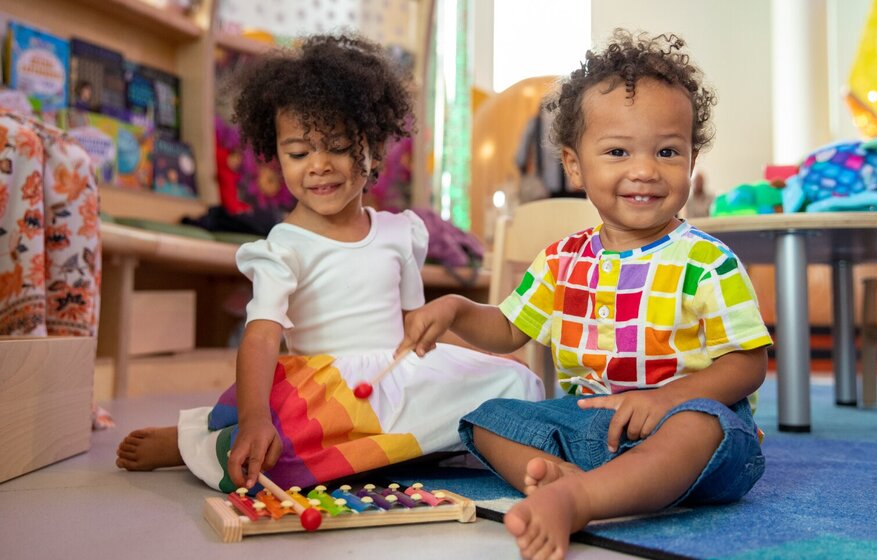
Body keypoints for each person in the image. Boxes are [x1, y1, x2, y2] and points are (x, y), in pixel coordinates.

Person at [399, 29, 772, 560]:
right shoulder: (563, 259)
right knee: (484, 421)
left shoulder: (707, 262)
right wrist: (458, 309)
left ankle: (578, 499)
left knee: (701, 427)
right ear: (575, 166)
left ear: (691, 162)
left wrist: (664, 400)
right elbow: (508, 329)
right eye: (618, 151)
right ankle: (575, 480)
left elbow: (748, 364)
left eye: (668, 151)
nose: (644, 170)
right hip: (593, 426)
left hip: (685, 432)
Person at [116, 34, 543, 492]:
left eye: (338, 147)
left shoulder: (400, 232)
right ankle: (194, 442)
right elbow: (261, 337)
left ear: (373, 150)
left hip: (396, 381)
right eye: (299, 153)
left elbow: (414, 330)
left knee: (517, 383)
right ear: (277, 154)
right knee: (271, 449)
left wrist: (472, 357)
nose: (318, 166)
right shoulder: (284, 245)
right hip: (324, 396)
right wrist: (255, 418)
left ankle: (391, 449)